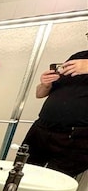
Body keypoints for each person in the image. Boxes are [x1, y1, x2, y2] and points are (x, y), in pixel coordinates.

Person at [22, 46, 88, 178]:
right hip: (41, 129)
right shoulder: (78, 56)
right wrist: (45, 85)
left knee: (55, 181)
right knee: (22, 170)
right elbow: (39, 94)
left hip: (75, 136)